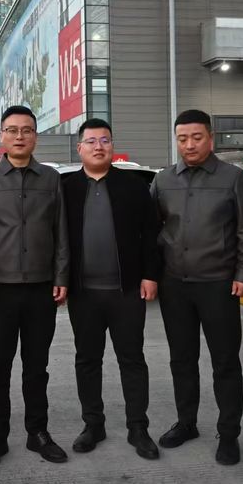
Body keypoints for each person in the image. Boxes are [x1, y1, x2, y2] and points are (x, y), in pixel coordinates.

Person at [150, 109, 243, 466]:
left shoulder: (233, 179)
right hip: (175, 285)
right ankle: (186, 423)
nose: (189, 145)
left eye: (196, 137)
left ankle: (228, 434)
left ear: (210, 138)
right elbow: (150, 231)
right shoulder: (162, 180)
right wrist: (152, 274)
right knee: (182, 359)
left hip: (219, 285)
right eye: (182, 138)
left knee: (225, 361)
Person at [0, 105, 70, 470]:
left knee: (36, 366)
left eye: (26, 130)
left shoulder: (50, 178)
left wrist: (61, 277)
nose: (19, 136)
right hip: (0, 290)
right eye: (12, 130)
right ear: (2, 135)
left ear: (35, 136)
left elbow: (61, 232)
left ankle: (37, 432)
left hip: (42, 289)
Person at [62, 118, 161, 460]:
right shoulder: (67, 189)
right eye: (91, 141)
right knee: (87, 359)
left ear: (112, 146)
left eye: (105, 140)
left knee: (132, 359)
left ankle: (138, 427)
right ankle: (93, 424)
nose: (98, 146)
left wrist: (150, 275)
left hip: (126, 291)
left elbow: (151, 234)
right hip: (83, 293)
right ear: (80, 148)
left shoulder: (133, 186)